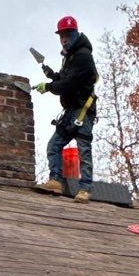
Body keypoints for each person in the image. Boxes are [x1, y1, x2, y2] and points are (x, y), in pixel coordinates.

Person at [36, 16, 98, 199]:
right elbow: (64, 80)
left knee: (83, 149)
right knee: (53, 146)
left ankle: (85, 189)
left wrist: (48, 87)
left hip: (82, 111)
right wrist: (52, 76)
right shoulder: (69, 57)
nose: (64, 39)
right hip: (70, 111)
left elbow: (69, 84)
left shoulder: (83, 56)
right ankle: (55, 181)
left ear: (76, 34)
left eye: (68, 34)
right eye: (62, 35)